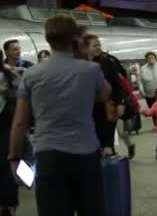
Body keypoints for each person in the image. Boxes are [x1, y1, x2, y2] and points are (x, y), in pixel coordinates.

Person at [8, 14, 111, 216]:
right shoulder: (91, 70)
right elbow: (104, 95)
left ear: (47, 39)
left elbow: (20, 122)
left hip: (49, 157)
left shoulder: (31, 74)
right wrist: (81, 56)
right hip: (86, 156)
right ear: (74, 38)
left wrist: (14, 157)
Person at [82, 34, 134, 159]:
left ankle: (109, 161)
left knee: (107, 141)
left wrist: (121, 102)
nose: (98, 48)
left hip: (108, 107)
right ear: (85, 48)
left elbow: (118, 84)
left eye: (99, 45)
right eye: (95, 46)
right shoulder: (80, 65)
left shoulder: (107, 62)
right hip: (89, 110)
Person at [0, 50, 19, 216]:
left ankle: (10, 205)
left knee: (7, 166)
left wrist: (5, 92)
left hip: (6, 126)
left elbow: (21, 95)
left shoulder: (8, 76)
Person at [139, 51, 157, 126]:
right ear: (146, 59)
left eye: (152, 57)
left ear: (155, 58)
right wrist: (141, 89)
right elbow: (140, 80)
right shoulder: (143, 68)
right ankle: (156, 125)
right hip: (149, 93)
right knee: (153, 109)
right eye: (148, 58)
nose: (150, 59)